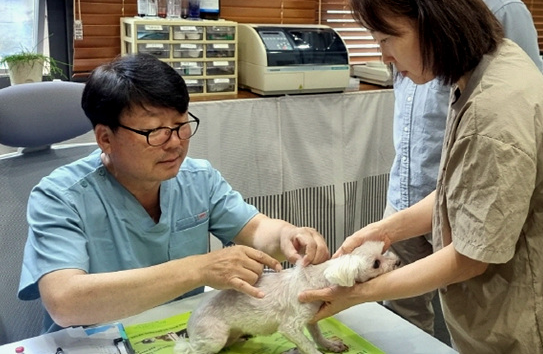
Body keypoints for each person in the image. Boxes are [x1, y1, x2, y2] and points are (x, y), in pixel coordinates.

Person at [300, 0, 543, 354]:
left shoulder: (494, 111)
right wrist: (385, 228)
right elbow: (464, 193)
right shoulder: (488, 65)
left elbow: (470, 256)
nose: (384, 55)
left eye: (388, 37)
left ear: (433, 20)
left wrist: (355, 295)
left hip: (534, 333)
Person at [18, 54, 330, 333]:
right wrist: (199, 269)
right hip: (98, 340)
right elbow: (65, 302)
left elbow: (257, 228)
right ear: (105, 138)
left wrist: (289, 236)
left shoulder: (197, 177)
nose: (175, 142)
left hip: (179, 330)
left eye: (181, 125)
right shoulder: (60, 196)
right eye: (155, 132)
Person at [376, 0, 543, 334]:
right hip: (411, 196)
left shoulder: (499, 9)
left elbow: (529, 115)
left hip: (474, 203)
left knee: (468, 322)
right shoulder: (401, 12)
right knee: (403, 324)